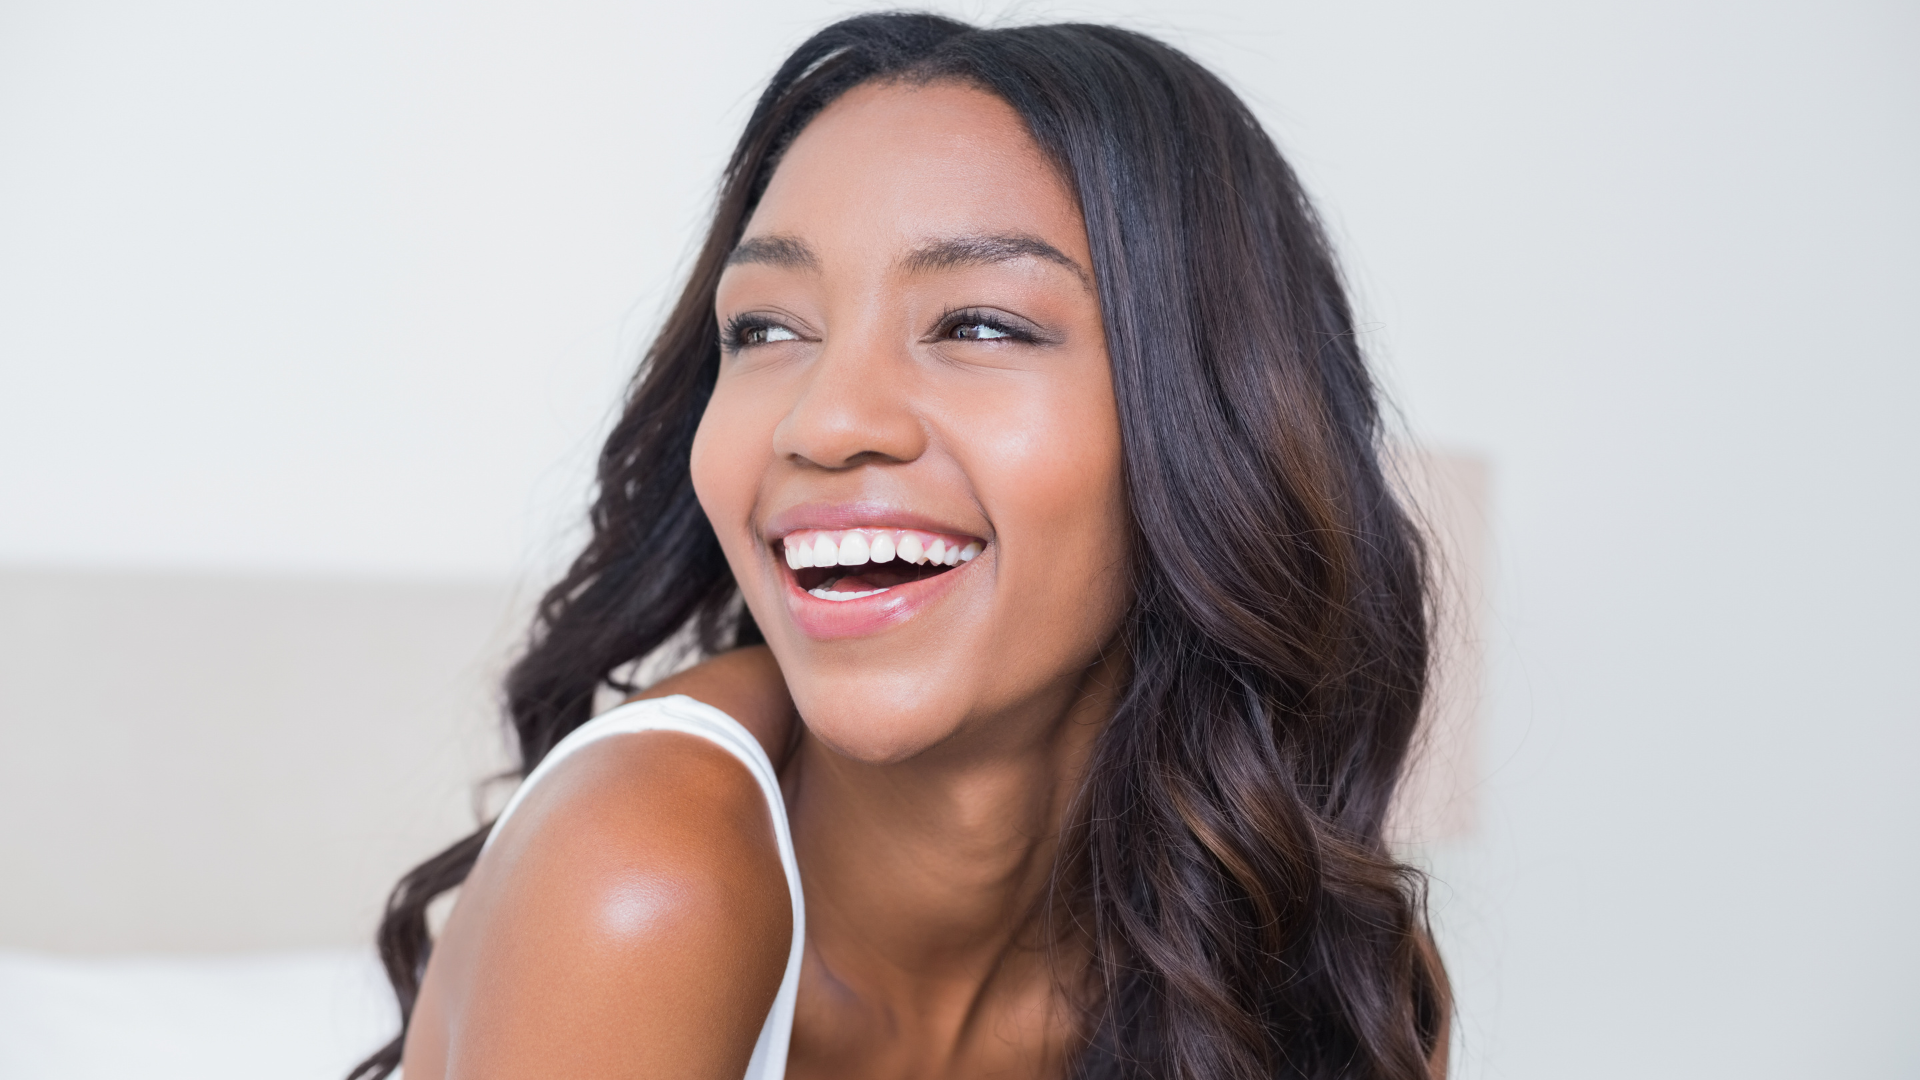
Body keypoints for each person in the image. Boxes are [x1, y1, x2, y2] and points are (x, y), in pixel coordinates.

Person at [352, 13, 1450, 1080]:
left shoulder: (1326, 970)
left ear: (1218, 421)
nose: (825, 424)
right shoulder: (642, 877)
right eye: (768, 330)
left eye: (977, 325)